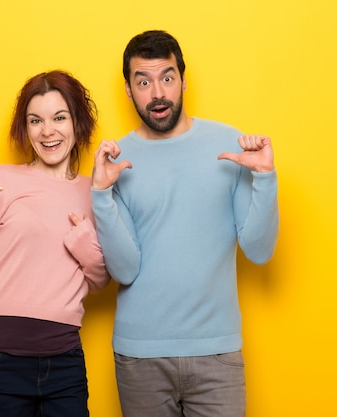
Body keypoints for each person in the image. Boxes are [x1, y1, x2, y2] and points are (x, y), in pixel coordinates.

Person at [91, 30, 279, 417]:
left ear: (183, 80)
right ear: (128, 90)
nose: (157, 92)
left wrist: (264, 178)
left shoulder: (229, 144)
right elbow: (124, 270)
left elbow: (259, 252)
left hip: (217, 352)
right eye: (143, 81)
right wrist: (101, 195)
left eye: (167, 77)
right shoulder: (117, 160)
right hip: (140, 355)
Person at [0, 70, 110, 417]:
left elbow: (101, 279)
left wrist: (81, 242)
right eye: (36, 120)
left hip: (64, 363)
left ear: (77, 123)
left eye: (59, 118)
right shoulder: (3, 180)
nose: (47, 131)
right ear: (26, 128)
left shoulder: (94, 191)